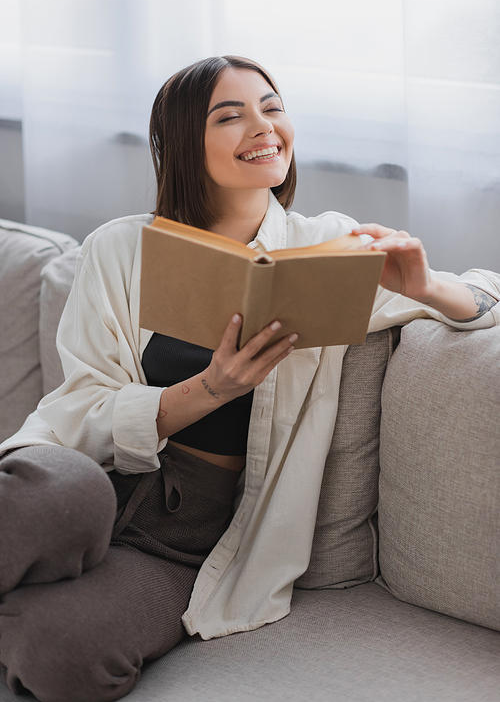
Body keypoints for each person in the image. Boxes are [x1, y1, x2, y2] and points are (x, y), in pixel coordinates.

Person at [0, 55, 498, 702]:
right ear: (183, 141)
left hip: (176, 544)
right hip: (92, 479)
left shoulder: (327, 249)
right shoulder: (120, 247)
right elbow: (82, 401)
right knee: (67, 493)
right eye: (230, 115)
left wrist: (426, 284)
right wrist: (208, 390)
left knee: (67, 655)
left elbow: (484, 305)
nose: (264, 127)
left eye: (272, 106)